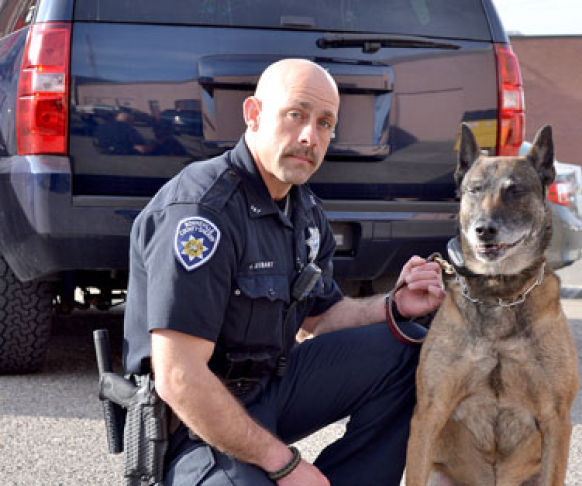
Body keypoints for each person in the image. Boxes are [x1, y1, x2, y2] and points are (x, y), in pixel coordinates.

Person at [123, 58, 445, 486]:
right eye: (295, 115)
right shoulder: (203, 212)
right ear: (254, 115)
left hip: (268, 390)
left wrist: (395, 305)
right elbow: (179, 378)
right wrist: (287, 465)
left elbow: (319, 317)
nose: (310, 136)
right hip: (196, 425)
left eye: (325, 123)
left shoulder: (304, 211)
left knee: (409, 349)